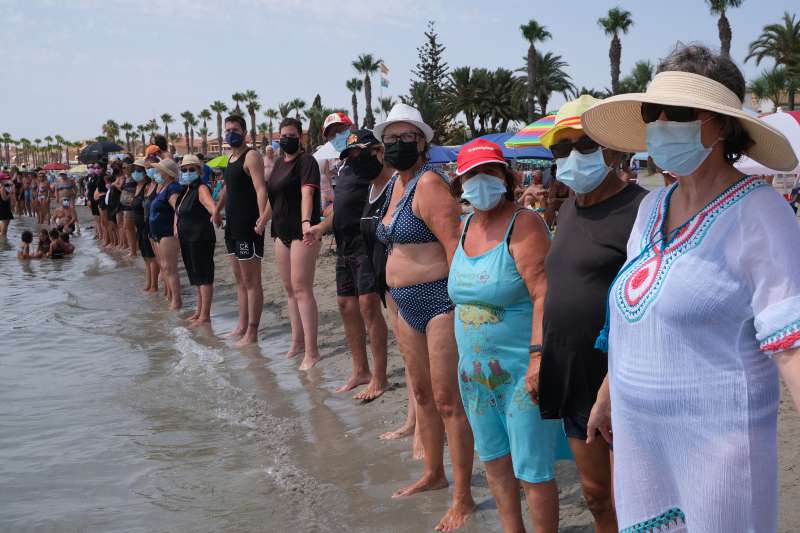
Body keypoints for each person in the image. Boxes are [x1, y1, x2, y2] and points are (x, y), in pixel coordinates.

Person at [580, 44, 800, 532]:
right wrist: (608, 392)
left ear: (721, 125)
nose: (659, 123)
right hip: (641, 448)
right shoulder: (651, 207)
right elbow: (639, 313)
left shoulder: (760, 213)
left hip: (719, 454)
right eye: (650, 112)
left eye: (676, 112)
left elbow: (791, 345)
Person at [529, 95, 648, 533]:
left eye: (585, 145)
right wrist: (540, 354)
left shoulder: (643, 209)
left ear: (614, 149)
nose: (572, 157)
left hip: (622, 378)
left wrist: (616, 378)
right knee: (596, 495)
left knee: (637, 497)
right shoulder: (566, 208)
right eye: (562, 149)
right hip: (573, 373)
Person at [448, 139, 565, 533]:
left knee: (532, 469)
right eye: (472, 175)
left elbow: (543, 293)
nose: (481, 181)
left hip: (520, 372)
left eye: (490, 172)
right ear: (460, 182)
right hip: (476, 376)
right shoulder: (463, 228)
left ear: (505, 177)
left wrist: (538, 358)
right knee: (495, 460)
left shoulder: (524, 223)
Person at [373, 103, 475, 531]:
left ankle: (463, 497)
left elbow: (455, 248)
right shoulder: (395, 185)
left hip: (439, 301)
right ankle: (434, 474)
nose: (398, 145)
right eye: (391, 139)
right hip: (403, 302)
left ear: (423, 143)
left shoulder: (429, 184)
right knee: (421, 393)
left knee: (449, 399)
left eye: (406, 139)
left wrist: (464, 305)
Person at [305, 129, 390, 400]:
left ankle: (380, 377)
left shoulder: (377, 171)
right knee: (346, 306)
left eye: (357, 153)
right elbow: (339, 209)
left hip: (367, 244)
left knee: (368, 306)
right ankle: (360, 370)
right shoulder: (343, 170)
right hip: (344, 247)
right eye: (350, 154)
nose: (353, 158)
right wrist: (320, 226)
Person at [266, 117, 323, 368]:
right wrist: (261, 220)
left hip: (302, 231)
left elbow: (307, 193)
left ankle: (312, 351)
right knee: (289, 289)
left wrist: (305, 223)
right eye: (283, 135)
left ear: (300, 137)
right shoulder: (278, 163)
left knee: (302, 289)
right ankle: (296, 342)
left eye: (291, 135)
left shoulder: (307, 161)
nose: (286, 139)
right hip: (280, 231)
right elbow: (273, 197)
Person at [213, 114, 268, 346]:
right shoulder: (230, 157)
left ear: (245, 132)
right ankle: (241, 325)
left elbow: (261, 189)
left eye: (235, 129)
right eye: (227, 130)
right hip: (231, 227)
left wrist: (263, 218)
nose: (230, 133)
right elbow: (227, 187)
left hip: (248, 226)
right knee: (239, 280)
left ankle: (252, 331)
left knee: (251, 280)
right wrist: (217, 210)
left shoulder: (251, 156)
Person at [177, 154, 216, 325]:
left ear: (199, 171)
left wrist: (217, 215)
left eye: (191, 169)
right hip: (188, 238)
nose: (187, 172)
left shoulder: (201, 188)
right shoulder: (187, 190)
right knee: (195, 276)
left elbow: (211, 206)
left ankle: (205, 316)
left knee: (204, 276)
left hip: (200, 237)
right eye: (184, 170)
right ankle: (198, 311)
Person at [148, 159, 184, 310]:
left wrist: (176, 226)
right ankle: (170, 296)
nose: (157, 173)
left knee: (170, 268)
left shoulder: (173, 188)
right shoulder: (163, 187)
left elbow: (178, 208)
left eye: (159, 171)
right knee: (164, 266)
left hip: (167, 232)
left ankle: (176, 300)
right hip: (157, 232)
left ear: (167, 173)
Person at [318, 112, 354, 214]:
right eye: (331, 135)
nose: (336, 136)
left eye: (339, 130)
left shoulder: (364, 155)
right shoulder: (341, 163)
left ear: (350, 128)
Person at [141, 163, 161, 293]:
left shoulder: (159, 186)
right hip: (145, 223)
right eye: (146, 168)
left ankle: (154, 285)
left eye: (151, 167)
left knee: (154, 257)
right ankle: (149, 284)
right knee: (146, 256)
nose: (149, 170)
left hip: (155, 225)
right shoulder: (147, 186)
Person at [119, 162, 139, 257]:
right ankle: (133, 249)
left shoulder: (134, 178)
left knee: (129, 228)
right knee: (128, 228)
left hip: (130, 206)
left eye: (125, 167)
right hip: (126, 206)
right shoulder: (126, 178)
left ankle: (133, 251)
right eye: (122, 167)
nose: (123, 169)